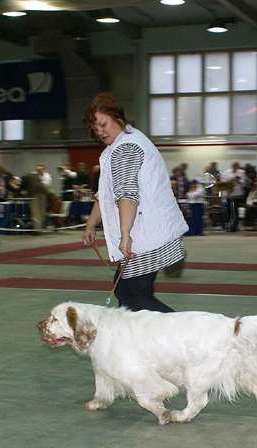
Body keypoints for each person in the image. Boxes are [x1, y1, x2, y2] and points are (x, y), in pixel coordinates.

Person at [82, 92, 188, 312]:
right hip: (149, 231)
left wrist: (125, 234)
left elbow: (127, 194)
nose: (99, 131)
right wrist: (91, 224)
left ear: (117, 118)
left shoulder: (126, 148)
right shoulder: (125, 142)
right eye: (95, 128)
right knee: (126, 292)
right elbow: (105, 194)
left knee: (133, 296)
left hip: (145, 235)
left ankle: (187, 337)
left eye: (103, 124)